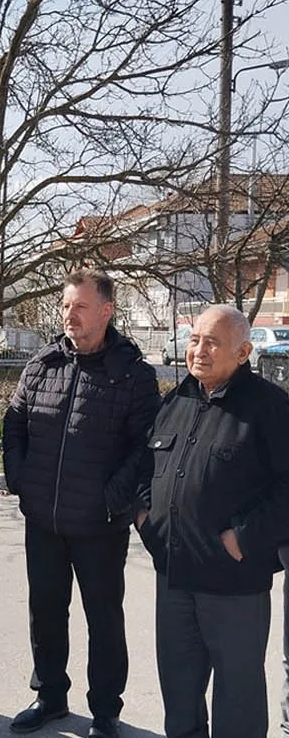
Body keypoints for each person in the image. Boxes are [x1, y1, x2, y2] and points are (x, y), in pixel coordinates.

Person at [2, 269, 160, 738]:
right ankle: (49, 696)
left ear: (106, 311)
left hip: (99, 524)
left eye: (80, 306)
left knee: (104, 619)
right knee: (46, 612)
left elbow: (146, 445)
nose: (69, 314)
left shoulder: (134, 374)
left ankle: (105, 710)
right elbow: (14, 424)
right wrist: (22, 480)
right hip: (44, 521)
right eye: (66, 305)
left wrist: (113, 496)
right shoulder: (43, 363)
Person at [130, 305, 287, 737]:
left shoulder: (269, 408)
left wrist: (243, 538)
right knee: (179, 695)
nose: (198, 349)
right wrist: (146, 517)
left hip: (234, 585)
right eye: (195, 338)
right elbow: (143, 467)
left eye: (212, 341)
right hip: (175, 580)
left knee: (238, 701)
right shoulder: (175, 400)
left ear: (243, 352)